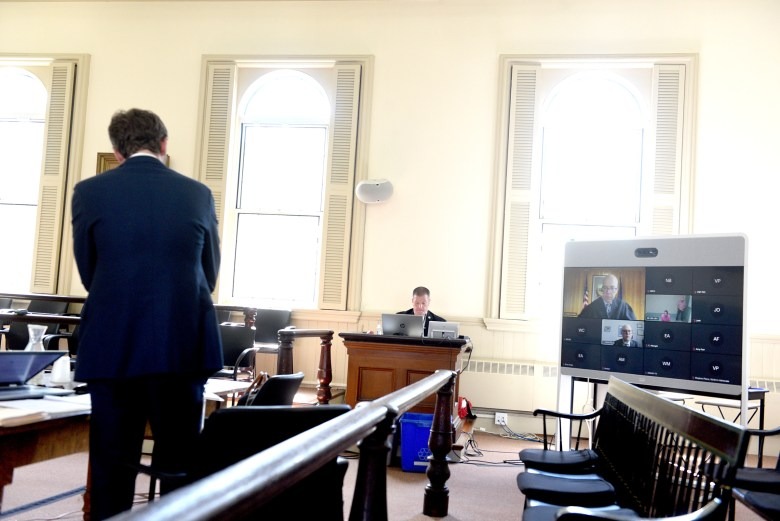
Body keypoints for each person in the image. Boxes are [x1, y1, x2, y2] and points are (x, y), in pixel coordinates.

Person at [71, 108, 223, 520]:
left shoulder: (89, 192)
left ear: (117, 152)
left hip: (113, 346)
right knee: (181, 467)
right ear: (164, 144)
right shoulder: (197, 194)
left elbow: (90, 273)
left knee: (111, 468)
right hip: (182, 346)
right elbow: (208, 274)